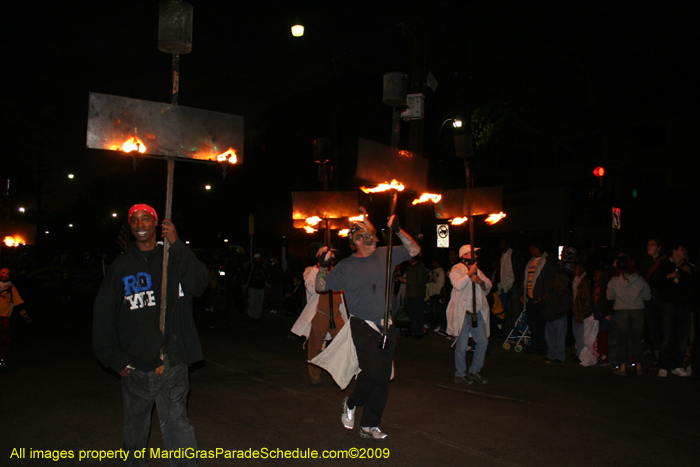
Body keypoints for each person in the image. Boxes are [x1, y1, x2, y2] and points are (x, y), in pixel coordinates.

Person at [93, 204, 209, 466]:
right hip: (137, 364)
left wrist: (177, 244)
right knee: (135, 426)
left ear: (157, 223)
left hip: (174, 360)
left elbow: (199, 284)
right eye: (135, 220)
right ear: (130, 227)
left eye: (146, 219)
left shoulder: (174, 258)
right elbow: (103, 315)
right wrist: (115, 357)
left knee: (178, 423)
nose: (141, 224)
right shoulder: (122, 266)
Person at [315, 211, 419, 441]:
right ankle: (351, 403)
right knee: (371, 372)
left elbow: (414, 251)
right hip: (362, 325)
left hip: (386, 325)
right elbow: (321, 286)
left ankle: (369, 425)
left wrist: (399, 231)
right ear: (358, 241)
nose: (375, 241)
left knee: (382, 379)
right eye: (369, 237)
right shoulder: (345, 266)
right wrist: (322, 266)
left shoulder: (385, 255)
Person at [291, 247, 347, 387]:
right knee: (315, 346)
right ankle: (315, 376)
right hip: (320, 313)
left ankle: (341, 375)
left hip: (336, 311)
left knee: (343, 344)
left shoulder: (336, 271)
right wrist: (323, 271)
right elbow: (311, 288)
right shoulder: (311, 271)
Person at [446, 244, 492, 385]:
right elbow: (458, 284)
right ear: (465, 255)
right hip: (463, 313)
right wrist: (469, 274)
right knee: (462, 345)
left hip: (477, 312)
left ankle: (474, 371)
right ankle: (460, 374)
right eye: (472, 253)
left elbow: (488, 285)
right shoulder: (457, 269)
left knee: (483, 342)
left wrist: (478, 280)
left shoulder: (476, 270)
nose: (475, 256)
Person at [606, 254, 651, 376]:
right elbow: (648, 296)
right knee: (637, 339)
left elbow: (609, 296)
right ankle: (639, 366)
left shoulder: (614, 280)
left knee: (622, 339)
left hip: (621, 311)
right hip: (637, 310)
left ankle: (623, 367)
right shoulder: (640, 279)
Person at [654, 241, 693, 377]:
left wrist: (688, 274)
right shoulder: (665, 265)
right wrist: (668, 276)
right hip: (668, 305)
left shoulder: (686, 266)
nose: (685, 252)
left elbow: (691, 286)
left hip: (683, 305)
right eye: (682, 249)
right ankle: (663, 365)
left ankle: (676, 364)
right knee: (667, 336)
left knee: (682, 337)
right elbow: (656, 283)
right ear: (675, 251)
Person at [520, 240, 556, 354]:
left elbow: (549, 279)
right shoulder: (530, 261)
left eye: (532, 247)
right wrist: (523, 293)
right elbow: (525, 280)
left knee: (542, 322)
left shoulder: (547, 261)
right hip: (530, 296)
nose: (530, 249)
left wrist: (544, 293)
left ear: (537, 248)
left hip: (540, 297)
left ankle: (543, 345)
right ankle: (535, 344)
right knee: (532, 322)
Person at [0, 267, 32, 371]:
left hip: (4, 318)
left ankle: (1, 360)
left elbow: (18, 304)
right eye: (3, 273)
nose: (5, 275)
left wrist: (25, 316)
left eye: (7, 274)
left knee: (3, 340)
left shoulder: (10, 288)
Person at [542, 274, 572, 363]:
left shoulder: (565, 293)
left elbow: (565, 307)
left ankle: (559, 355)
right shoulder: (553, 292)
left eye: (555, 281)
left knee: (559, 338)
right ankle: (551, 354)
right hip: (551, 318)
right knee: (549, 338)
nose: (553, 283)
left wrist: (554, 314)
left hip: (559, 319)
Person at [572, 262, 592, 362]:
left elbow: (586, 299)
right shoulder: (576, 279)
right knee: (577, 333)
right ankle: (578, 353)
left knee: (581, 334)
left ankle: (581, 355)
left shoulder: (584, 282)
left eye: (576, 268)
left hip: (581, 310)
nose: (573, 270)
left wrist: (584, 313)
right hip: (577, 309)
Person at [244, 253, 269, 320]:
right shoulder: (251, 266)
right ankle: (251, 315)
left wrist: (267, 286)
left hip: (261, 287)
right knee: (252, 301)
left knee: (259, 302)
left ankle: (257, 315)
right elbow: (247, 276)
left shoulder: (263, 266)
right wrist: (245, 287)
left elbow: (266, 277)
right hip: (252, 287)